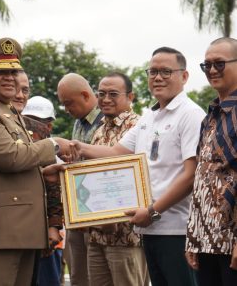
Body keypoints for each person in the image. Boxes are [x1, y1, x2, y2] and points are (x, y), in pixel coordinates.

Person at [70, 47, 206, 286]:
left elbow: (191, 174)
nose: (158, 77)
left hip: (176, 230)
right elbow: (115, 153)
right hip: (150, 230)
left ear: (184, 77)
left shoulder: (190, 114)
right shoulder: (149, 117)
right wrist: (73, 147)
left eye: (166, 71)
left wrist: (153, 211)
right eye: (153, 71)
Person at [0, 37, 70, 286]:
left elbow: (16, 165)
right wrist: (54, 144)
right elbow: (10, 157)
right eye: (0, 72)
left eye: (13, 71)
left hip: (21, 232)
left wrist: (43, 175)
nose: (9, 77)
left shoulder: (7, 111)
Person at [87, 72, 149, 286]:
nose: (105, 99)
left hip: (127, 235)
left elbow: (142, 176)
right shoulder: (99, 131)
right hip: (96, 234)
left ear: (130, 97)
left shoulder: (140, 127)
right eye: (101, 94)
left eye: (113, 94)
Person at [185, 37, 237, 286]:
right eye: (206, 65)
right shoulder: (211, 116)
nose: (212, 70)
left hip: (232, 243)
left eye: (220, 63)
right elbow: (202, 178)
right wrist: (194, 237)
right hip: (206, 241)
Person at [57, 73, 103, 286]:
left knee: (97, 276)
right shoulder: (79, 122)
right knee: (78, 276)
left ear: (85, 95)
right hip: (78, 209)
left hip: (99, 211)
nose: (66, 109)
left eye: (68, 103)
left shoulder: (107, 119)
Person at [22, 95, 63, 286]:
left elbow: (54, 192)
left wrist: (53, 227)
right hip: (21, 234)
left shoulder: (53, 153)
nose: (34, 127)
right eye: (29, 121)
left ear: (49, 126)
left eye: (40, 122)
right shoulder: (17, 149)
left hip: (48, 238)